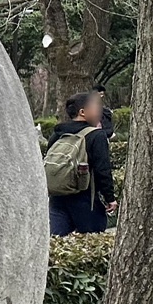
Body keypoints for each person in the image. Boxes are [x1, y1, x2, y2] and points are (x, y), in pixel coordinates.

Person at [46, 89, 117, 235]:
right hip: (85, 201)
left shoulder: (57, 134)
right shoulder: (96, 136)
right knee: (92, 242)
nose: (100, 113)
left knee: (58, 244)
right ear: (83, 112)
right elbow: (102, 169)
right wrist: (110, 198)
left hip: (57, 199)